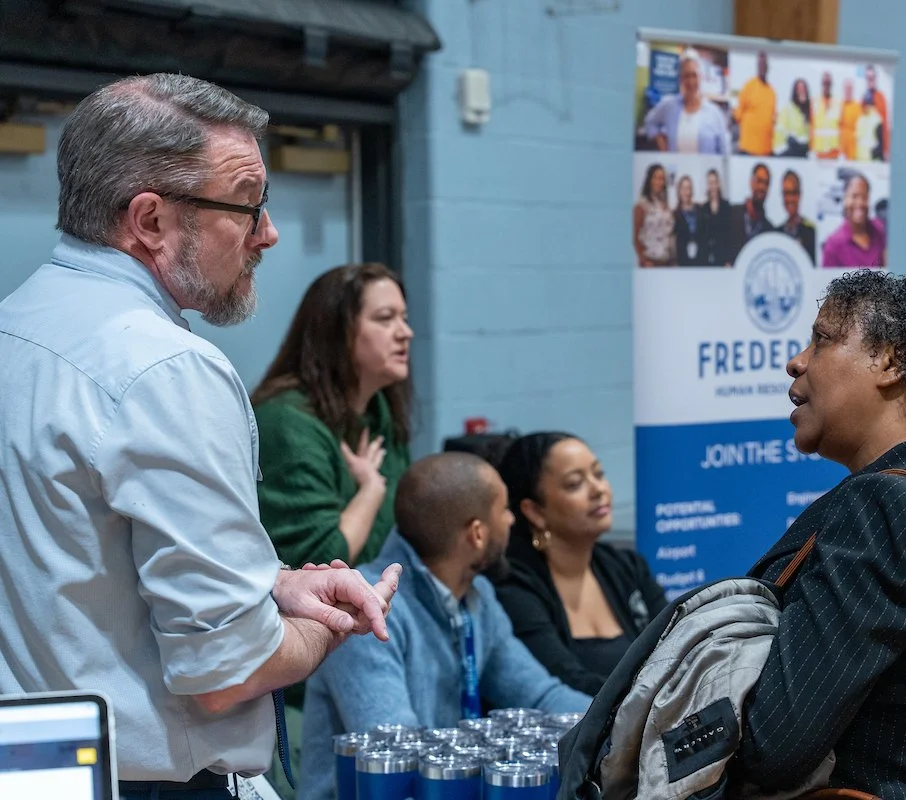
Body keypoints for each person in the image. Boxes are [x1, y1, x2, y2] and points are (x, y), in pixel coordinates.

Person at [0, 73, 401, 799]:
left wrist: (271, 586)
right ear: (150, 221)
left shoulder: (16, 327)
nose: (268, 234)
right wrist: (329, 625)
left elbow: (73, 566)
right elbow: (226, 674)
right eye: (247, 206)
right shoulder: (164, 368)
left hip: (32, 771)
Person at [730, 270, 906, 798]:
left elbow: (774, 746)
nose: (797, 361)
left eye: (822, 339)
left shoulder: (883, 504)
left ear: (892, 362)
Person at [300, 453, 592, 800]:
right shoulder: (365, 607)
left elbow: (540, 695)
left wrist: (622, 719)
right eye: (504, 509)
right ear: (477, 534)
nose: (512, 520)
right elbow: (399, 754)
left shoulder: (477, 595)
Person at [253, 263, 413, 569]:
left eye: (404, 318)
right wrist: (371, 491)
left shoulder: (380, 410)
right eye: (385, 319)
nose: (406, 333)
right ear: (337, 330)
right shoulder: (287, 422)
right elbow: (322, 562)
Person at [492, 433, 667, 695]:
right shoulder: (514, 585)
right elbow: (564, 683)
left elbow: (678, 652)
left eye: (599, 474)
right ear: (534, 512)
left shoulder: (628, 568)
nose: (598, 489)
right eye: (575, 484)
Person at [640, 49, 729, 154]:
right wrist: (661, 142)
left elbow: (724, 152)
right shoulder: (669, 106)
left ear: (701, 77)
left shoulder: (714, 113)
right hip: (676, 169)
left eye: (694, 75)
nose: (691, 81)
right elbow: (650, 122)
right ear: (680, 79)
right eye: (686, 76)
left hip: (705, 169)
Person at [821, 172, 886, 268]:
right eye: (854, 196)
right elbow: (827, 281)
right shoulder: (833, 245)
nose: (860, 203)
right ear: (845, 199)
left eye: (864, 197)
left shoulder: (880, 230)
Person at [733, 51, 776, 156]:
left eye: (764, 65)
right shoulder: (748, 86)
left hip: (766, 150)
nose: (762, 67)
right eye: (760, 65)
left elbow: (772, 119)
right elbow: (737, 115)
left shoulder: (772, 92)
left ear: (768, 67)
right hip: (748, 148)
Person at [634, 163, 672, 267]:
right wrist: (643, 259)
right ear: (649, 180)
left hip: (666, 261)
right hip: (650, 261)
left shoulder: (666, 206)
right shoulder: (641, 205)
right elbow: (635, 236)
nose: (659, 182)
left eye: (662, 179)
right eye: (656, 178)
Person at [731, 162, 774, 253]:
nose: (762, 187)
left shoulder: (769, 230)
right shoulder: (732, 214)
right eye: (759, 181)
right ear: (751, 182)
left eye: (766, 183)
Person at [778, 170, 817, 266]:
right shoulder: (776, 232)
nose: (790, 198)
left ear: (799, 195)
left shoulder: (811, 232)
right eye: (786, 193)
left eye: (793, 193)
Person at [698, 168, 734, 267]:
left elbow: (729, 235)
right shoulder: (703, 208)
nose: (713, 186)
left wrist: (728, 260)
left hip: (722, 258)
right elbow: (701, 236)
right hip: (706, 259)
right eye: (710, 183)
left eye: (714, 182)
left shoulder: (726, 207)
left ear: (718, 184)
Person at [774, 78, 812, 157]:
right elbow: (781, 133)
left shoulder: (809, 111)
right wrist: (792, 142)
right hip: (787, 153)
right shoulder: (788, 109)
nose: (802, 92)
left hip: (803, 154)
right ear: (795, 92)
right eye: (799, 89)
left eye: (804, 89)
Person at [672, 175, 703, 266]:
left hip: (700, 259)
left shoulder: (700, 209)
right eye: (683, 188)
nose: (686, 192)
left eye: (688, 188)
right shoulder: (675, 214)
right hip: (683, 260)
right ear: (679, 191)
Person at [862, 64, 890, 160]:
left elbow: (885, 125)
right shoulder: (863, 99)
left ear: (876, 78)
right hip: (866, 151)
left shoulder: (880, 97)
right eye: (868, 78)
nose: (870, 81)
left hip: (879, 148)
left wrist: (886, 149)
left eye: (872, 78)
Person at [812, 71, 841, 159]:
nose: (827, 86)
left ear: (832, 85)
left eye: (829, 83)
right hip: (818, 153)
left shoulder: (838, 103)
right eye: (825, 83)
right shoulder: (814, 102)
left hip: (834, 153)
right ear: (821, 84)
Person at [837, 78, 862, 161]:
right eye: (846, 88)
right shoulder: (839, 106)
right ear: (843, 89)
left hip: (853, 148)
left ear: (853, 90)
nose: (848, 90)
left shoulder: (858, 107)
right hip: (840, 147)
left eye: (850, 88)